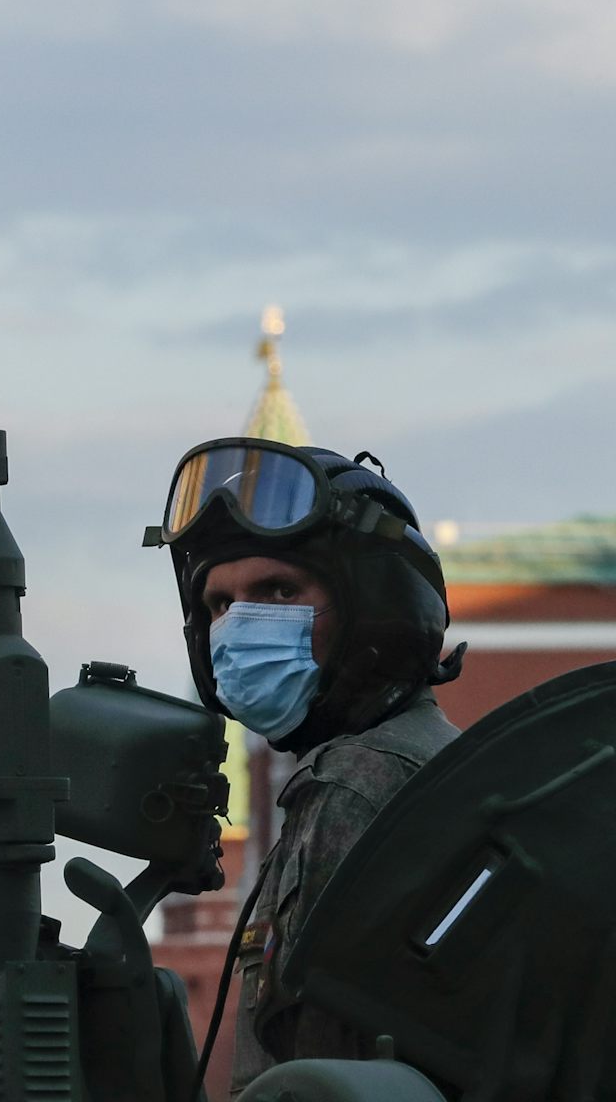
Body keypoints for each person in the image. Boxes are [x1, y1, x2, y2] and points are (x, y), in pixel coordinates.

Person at [149, 437, 464, 1098]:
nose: (238, 627)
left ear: (371, 608)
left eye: (279, 589)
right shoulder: (424, 761)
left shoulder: (356, 784)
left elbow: (312, 1075)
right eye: (220, 605)